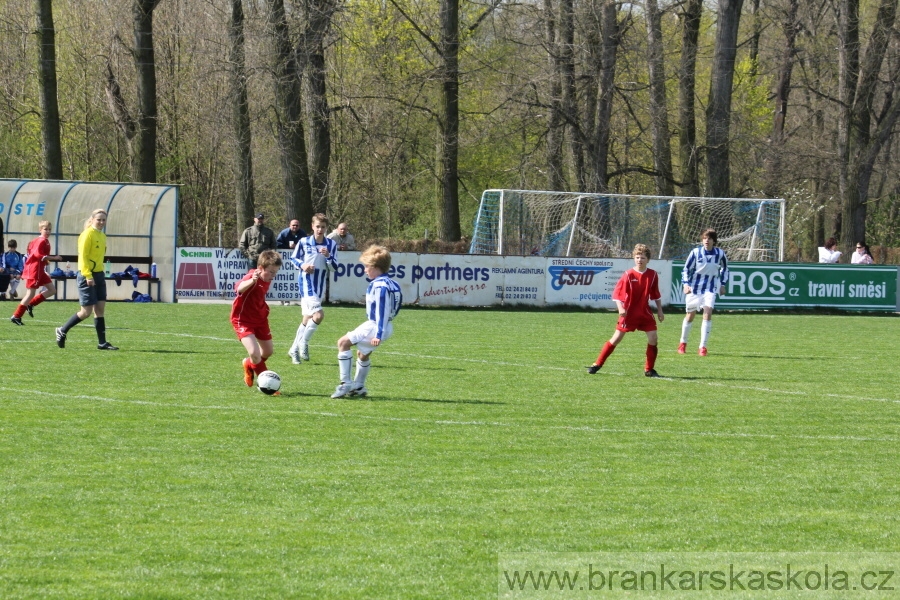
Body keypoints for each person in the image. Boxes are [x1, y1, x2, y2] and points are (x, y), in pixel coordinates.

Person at [331, 245, 402, 398]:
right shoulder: (393, 283)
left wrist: (378, 333)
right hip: (386, 325)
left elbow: (382, 310)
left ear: (376, 267)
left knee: (343, 343)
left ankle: (345, 384)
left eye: (367, 266)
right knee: (362, 354)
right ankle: (359, 387)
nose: (365, 270)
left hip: (377, 325)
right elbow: (396, 307)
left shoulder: (379, 286)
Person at [585, 244, 665, 377]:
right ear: (634, 258)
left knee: (653, 338)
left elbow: (656, 295)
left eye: (643, 258)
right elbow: (617, 294)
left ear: (648, 260)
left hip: (644, 313)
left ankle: (649, 370)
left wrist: (660, 311)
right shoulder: (628, 274)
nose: (639, 260)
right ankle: (597, 364)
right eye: (637, 257)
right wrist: (621, 308)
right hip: (629, 313)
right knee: (616, 338)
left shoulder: (652, 275)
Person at [55, 209, 119, 350]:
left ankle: (102, 343)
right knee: (86, 312)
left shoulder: (102, 235)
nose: (101, 222)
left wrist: (99, 273)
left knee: (100, 309)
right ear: (92, 219)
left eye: (104, 220)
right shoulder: (87, 234)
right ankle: (62, 330)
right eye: (99, 219)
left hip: (99, 274)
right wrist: (88, 275)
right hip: (87, 275)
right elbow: (82, 257)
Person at [288, 213, 338, 364]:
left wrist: (329, 256)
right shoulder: (304, 242)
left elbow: (334, 267)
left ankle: (293, 349)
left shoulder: (331, 245)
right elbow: (293, 259)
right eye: (317, 227)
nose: (320, 230)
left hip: (320, 285)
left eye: (323, 227)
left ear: (326, 228)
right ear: (312, 226)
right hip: (306, 282)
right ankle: (303, 342)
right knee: (319, 315)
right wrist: (303, 265)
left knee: (308, 318)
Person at [231, 249, 283, 391]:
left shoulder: (266, 277)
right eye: (271, 272)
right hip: (243, 320)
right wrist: (252, 281)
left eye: (275, 272)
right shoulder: (251, 276)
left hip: (260, 319)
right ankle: (267, 385)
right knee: (254, 353)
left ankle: (249, 364)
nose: (273, 276)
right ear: (261, 268)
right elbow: (239, 289)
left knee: (267, 352)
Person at [678, 228, 729, 356]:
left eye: (710, 238)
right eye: (705, 238)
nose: (707, 240)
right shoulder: (695, 253)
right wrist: (686, 284)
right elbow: (686, 270)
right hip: (695, 289)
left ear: (714, 241)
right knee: (690, 316)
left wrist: (722, 284)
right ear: (702, 239)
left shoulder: (720, 254)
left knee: (708, 312)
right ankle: (683, 343)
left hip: (710, 289)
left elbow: (725, 269)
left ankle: (702, 347)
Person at [10, 222, 62, 325]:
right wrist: (54, 258)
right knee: (30, 294)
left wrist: (45, 263)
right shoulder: (41, 241)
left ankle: (31, 304)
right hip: (34, 270)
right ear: (40, 230)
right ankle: (16, 316)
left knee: (52, 290)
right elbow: (37, 255)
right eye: (45, 229)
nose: (48, 231)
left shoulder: (43, 241)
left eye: (49, 229)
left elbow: (32, 253)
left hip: (40, 270)